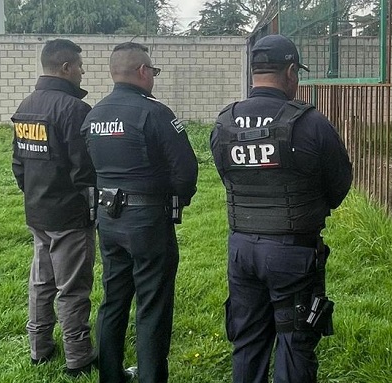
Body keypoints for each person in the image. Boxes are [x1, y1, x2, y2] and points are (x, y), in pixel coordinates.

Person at [210, 34, 353, 383]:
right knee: (295, 342)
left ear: (255, 71)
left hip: (241, 249)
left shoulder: (224, 122)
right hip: (293, 252)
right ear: (291, 72)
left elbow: (225, 174)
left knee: (248, 342)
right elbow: (339, 182)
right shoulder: (311, 122)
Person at [81, 42, 198, 383]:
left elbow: (88, 167)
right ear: (144, 72)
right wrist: (177, 200)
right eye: (154, 72)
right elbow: (186, 171)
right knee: (153, 304)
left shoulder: (94, 114)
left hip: (108, 218)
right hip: (147, 221)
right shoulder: (156, 113)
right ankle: (151, 377)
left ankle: (111, 375)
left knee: (113, 300)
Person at [11, 38, 96, 377]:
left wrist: (34, 195)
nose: (82, 70)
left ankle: (39, 348)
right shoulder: (74, 110)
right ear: (65, 68)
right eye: (78, 65)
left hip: (37, 211)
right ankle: (78, 357)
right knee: (73, 288)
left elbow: (19, 165)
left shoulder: (26, 106)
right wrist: (91, 210)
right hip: (70, 216)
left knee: (41, 283)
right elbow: (85, 171)